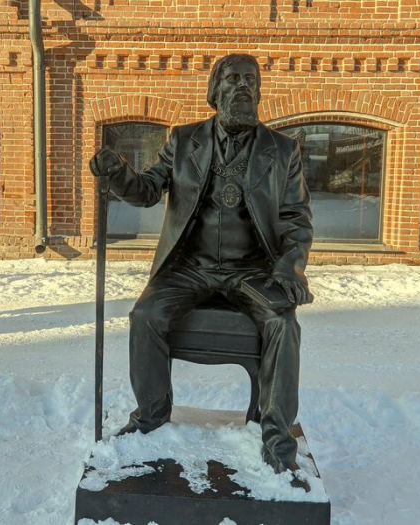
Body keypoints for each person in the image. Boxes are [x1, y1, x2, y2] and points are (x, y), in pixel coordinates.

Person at [90, 53, 313, 474]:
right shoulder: (184, 140)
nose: (243, 86)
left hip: (252, 270)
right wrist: (118, 174)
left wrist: (290, 266)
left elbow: (296, 219)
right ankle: (151, 416)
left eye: (251, 79)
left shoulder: (283, 152)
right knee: (145, 315)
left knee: (283, 323)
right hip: (189, 267)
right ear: (215, 92)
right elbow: (146, 191)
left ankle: (277, 438)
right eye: (232, 79)